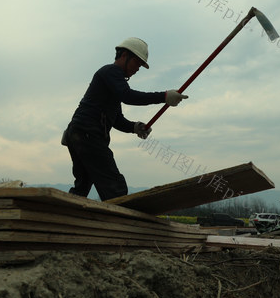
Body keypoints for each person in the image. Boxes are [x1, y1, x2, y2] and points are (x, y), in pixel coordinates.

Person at [62, 38, 187, 201]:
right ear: (125, 55)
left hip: (79, 134)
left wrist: (134, 127)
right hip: (87, 135)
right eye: (137, 63)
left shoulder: (112, 82)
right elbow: (128, 96)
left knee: (82, 188)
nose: (137, 69)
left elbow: (117, 119)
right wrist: (163, 96)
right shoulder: (110, 72)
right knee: (116, 189)